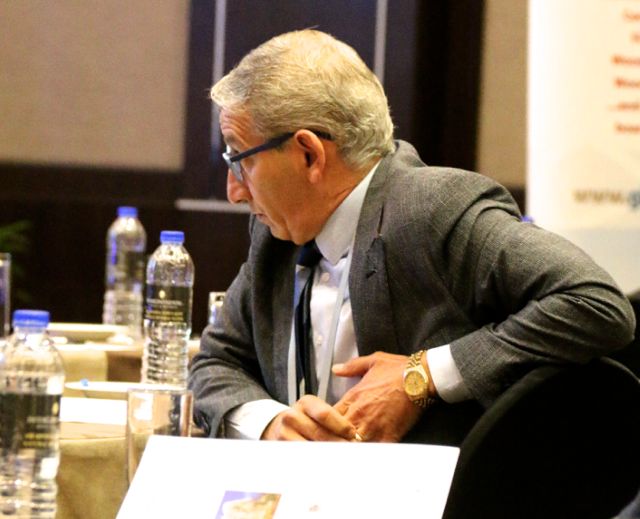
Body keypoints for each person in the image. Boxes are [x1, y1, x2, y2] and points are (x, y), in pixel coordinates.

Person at [188, 29, 635, 443]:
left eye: (240, 160)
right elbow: (216, 361)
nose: (234, 191)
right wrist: (270, 424)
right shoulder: (277, 235)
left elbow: (595, 303)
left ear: (309, 154)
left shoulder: (434, 208)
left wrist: (421, 377)